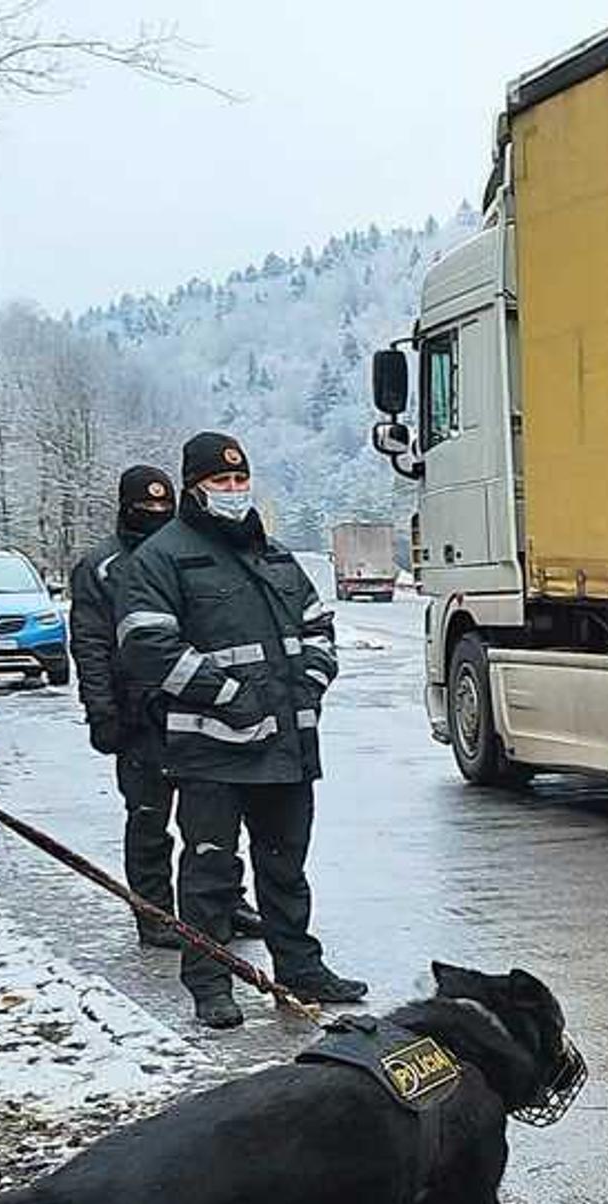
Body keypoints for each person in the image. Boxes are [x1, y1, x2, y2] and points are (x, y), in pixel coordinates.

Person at [111, 431, 365, 1028]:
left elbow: (317, 625)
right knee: (210, 874)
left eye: (238, 481)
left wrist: (313, 678)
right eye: (219, 483)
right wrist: (229, 696)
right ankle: (209, 983)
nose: (232, 491)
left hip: (287, 747)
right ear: (193, 488)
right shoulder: (161, 558)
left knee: (285, 867)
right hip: (211, 753)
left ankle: (299, 969)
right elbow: (146, 647)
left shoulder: (272, 554)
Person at [67, 463, 212, 948]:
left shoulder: (187, 554)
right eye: (145, 507)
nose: (155, 514)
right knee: (149, 818)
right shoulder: (101, 566)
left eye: (163, 506)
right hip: (135, 713)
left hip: (191, 705)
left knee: (210, 819)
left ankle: (225, 904)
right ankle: (152, 913)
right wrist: (101, 711)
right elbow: (89, 643)